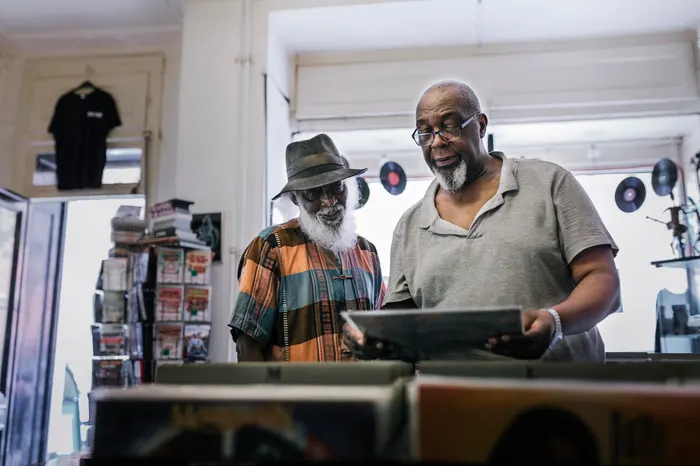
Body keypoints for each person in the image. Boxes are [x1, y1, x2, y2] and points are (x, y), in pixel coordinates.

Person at [349, 80, 620, 362]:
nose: (438, 141)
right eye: (426, 132)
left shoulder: (549, 184)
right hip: (460, 397)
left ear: (480, 125)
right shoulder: (410, 225)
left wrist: (555, 322)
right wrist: (372, 336)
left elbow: (602, 279)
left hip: (561, 391)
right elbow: (403, 324)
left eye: (449, 126)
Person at [229, 133, 386, 362]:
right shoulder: (270, 248)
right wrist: (264, 398)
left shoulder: (367, 252)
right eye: (312, 193)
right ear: (295, 199)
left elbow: (383, 331)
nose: (329, 202)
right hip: (295, 395)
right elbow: (247, 342)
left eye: (336, 188)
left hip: (365, 394)